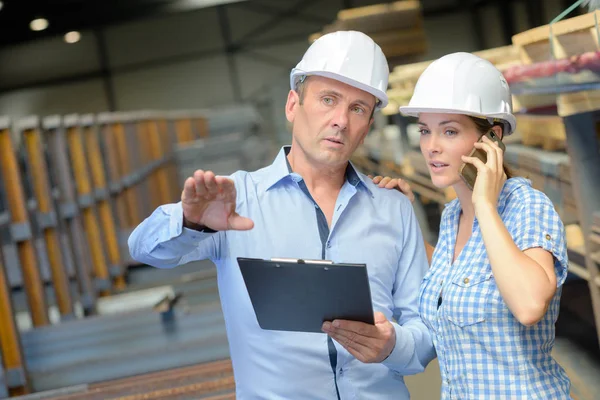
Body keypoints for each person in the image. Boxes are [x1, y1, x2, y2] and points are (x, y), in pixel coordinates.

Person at [128, 30, 435, 399]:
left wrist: (391, 345)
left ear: (368, 126)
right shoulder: (235, 200)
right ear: (293, 105)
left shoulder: (394, 208)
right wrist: (192, 222)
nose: (341, 120)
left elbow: (426, 336)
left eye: (358, 109)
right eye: (328, 99)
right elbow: (144, 249)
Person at [373, 52, 572, 399]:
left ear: (491, 137)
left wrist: (485, 205)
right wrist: (403, 225)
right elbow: (457, 273)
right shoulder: (453, 215)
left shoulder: (525, 206)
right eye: (425, 130)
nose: (431, 147)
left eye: (449, 131)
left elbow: (529, 306)